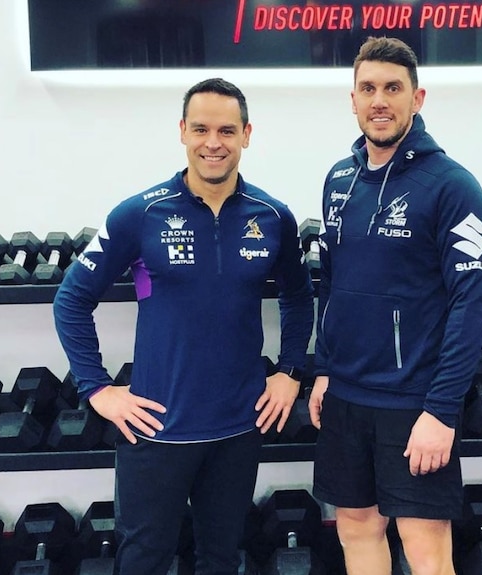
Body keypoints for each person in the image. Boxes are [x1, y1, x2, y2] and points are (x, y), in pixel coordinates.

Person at [53, 77, 314, 575]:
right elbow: (71, 300)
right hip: (157, 428)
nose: (213, 142)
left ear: (246, 134)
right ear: (182, 132)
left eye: (226, 130)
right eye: (201, 129)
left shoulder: (272, 216)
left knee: (221, 558)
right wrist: (97, 389)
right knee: (143, 560)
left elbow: (298, 295)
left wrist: (290, 371)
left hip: (238, 427)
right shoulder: (140, 214)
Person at [309, 37, 482, 575]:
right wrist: (323, 369)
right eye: (368, 88)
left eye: (393, 88)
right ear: (352, 99)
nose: (380, 100)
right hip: (345, 396)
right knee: (356, 528)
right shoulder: (339, 180)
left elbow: (472, 303)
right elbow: (333, 283)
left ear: (418, 98)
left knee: (425, 547)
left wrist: (441, 410)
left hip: (414, 401)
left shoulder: (453, 186)